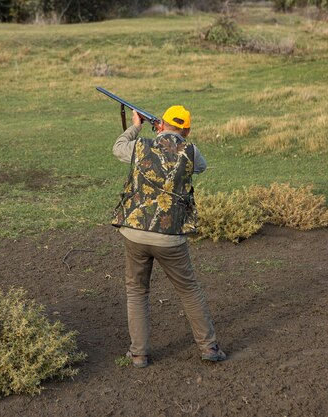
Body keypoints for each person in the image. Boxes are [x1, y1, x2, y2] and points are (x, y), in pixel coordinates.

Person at [111, 105, 225, 368]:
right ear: (187, 129)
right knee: (189, 290)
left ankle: (139, 354)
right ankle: (209, 347)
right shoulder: (191, 151)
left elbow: (118, 147)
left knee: (137, 291)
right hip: (171, 236)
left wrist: (137, 126)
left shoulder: (140, 146)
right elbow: (201, 167)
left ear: (160, 124)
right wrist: (174, 139)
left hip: (135, 232)